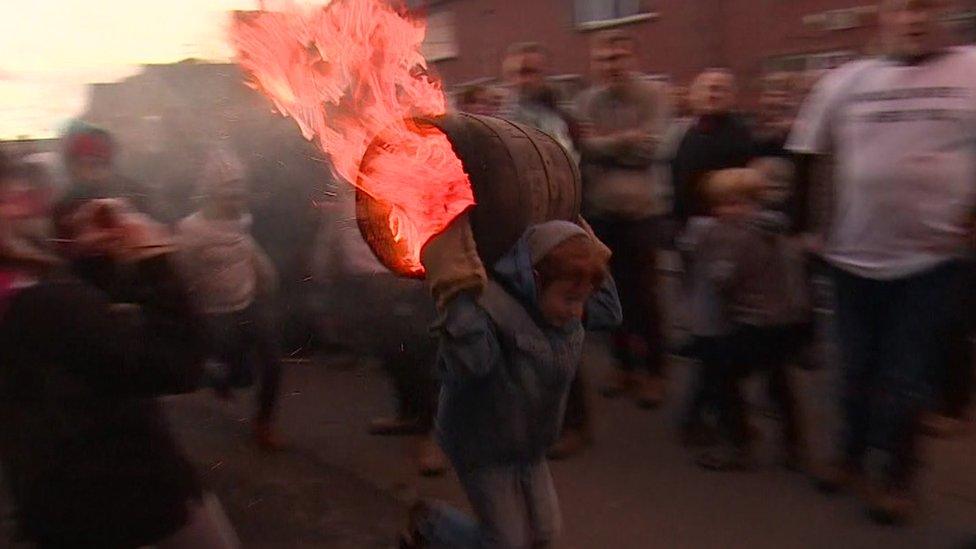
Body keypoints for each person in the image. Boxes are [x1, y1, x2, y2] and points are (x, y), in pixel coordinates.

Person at [787, 0, 976, 524]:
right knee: (853, 367)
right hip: (850, 256)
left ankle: (896, 475)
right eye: (903, 8)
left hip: (931, 262)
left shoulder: (971, 71)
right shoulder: (846, 81)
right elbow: (806, 154)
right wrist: (804, 229)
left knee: (907, 373)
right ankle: (849, 455)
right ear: (884, 17)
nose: (914, 19)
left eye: (927, 8)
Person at [0, 153, 239, 548]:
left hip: (54, 503)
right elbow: (176, 363)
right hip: (130, 504)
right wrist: (154, 256)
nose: (20, 200)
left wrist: (88, 259)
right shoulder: (41, 303)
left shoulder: (27, 295)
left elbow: (81, 350)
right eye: (7, 190)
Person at [401, 219, 622, 549]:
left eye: (581, 300)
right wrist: (459, 299)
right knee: (506, 542)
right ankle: (432, 524)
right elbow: (469, 366)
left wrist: (590, 247)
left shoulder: (568, 308)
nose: (577, 312)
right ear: (534, 280)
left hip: (529, 443)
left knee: (544, 533)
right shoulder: (493, 309)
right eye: (568, 300)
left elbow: (609, 311)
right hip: (481, 444)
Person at [313, 183, 446, 476]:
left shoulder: (396, 171)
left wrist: (409, 275)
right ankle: (408, 415)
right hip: (363, 284)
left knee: (419, 357)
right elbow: (336, 229)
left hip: (401, 280)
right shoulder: (343, 181)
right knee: (391, 353)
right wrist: (324, 271)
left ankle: (430, 437)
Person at [684, 168, 811, 471]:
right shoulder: (774, 230)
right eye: (721, 204)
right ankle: (793, 443)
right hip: (785, 322)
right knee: (777, 380)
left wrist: (703, 251)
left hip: (752, 322)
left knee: (723, 376)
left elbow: (722, 278)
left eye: (735, 203)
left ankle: (737, 443)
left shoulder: (735, 234)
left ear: (754, 202)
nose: (726, 210)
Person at [575, 29, 671, 408]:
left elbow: (653, 147)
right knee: (604, 292)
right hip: (601, 213)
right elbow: (585, 148)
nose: (611, 65)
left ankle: (654, 372)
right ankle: (623, 366)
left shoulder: (653, 96)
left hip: (640, 213)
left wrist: (609, 144)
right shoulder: (586, 101)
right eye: (604, 58)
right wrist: (625, 141)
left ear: (632, 59)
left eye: (618, 57)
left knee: (645, 296)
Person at [174, 148, 284, 451]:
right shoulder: (191, 230)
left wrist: (266, 275)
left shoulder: (241, 221)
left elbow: (246, 248)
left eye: (239, 192)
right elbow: (184, 273)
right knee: (236, 371)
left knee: (273, 362)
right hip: (213, 312)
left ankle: (264, 422)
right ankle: (220, 378)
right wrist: (190, 311)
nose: (236, 200)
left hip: (246, 304)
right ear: (210, 193)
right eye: (228, 193)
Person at [671, 68, 755, 229]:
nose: (712, 94)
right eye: (706, 88)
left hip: (723, 223)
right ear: (694, 94)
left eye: (719, 89)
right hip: (685, 222)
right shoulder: (686, 131)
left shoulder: (740, 135)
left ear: (732, 96)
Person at [500, 42, 578, 160]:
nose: (521, 81)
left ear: (546, 73)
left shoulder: (568, 118)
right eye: (513, 74)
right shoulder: (499, 123)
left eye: (528, 72)